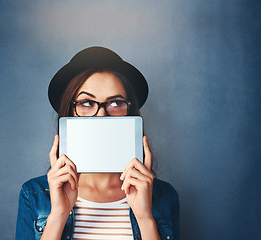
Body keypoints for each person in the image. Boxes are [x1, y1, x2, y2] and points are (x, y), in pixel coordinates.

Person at [15, 46, 180, 240]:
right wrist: (58, 215)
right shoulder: (33, 194)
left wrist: (145, 218)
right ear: (69, 113)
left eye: (116, 103)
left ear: (131, 113)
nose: (102, 115)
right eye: (86, 102)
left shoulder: (164, 196)